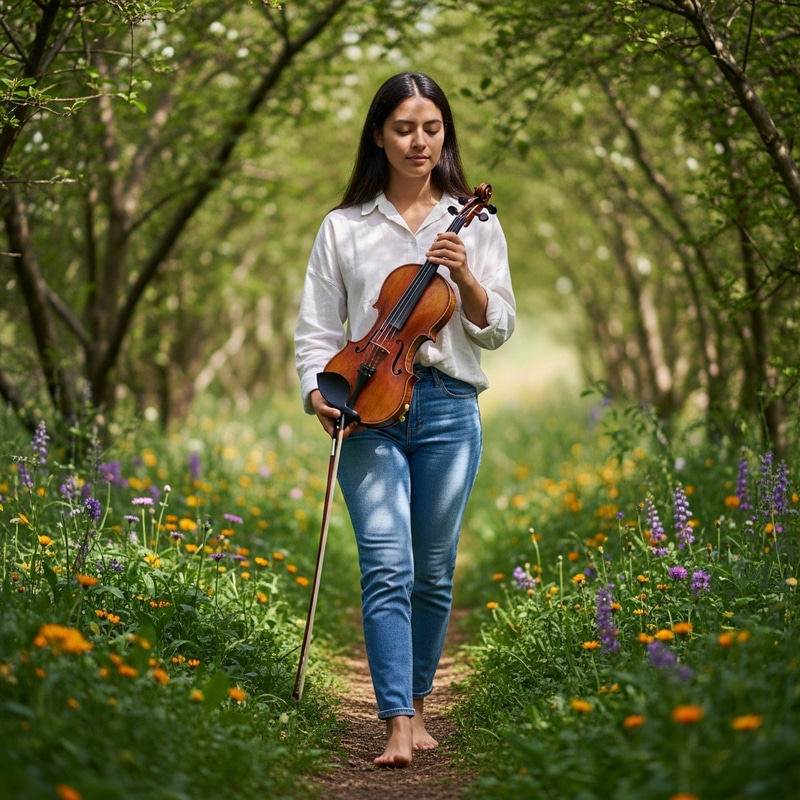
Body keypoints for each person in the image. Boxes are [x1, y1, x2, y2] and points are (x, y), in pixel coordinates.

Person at [294, 71, 515, 767]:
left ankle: (419, 705)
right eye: (403, 128)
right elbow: (314, 331)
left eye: (431, 128)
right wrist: (315, 391)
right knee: (386, 563)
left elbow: (498, 327)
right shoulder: (343, 227)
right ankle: (395, 720)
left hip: (449, 410)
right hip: (367, 405)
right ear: (379, 135)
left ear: (444, 134)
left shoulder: (475, 221)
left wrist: (468, 280)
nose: (419, 142)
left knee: (434, 571)